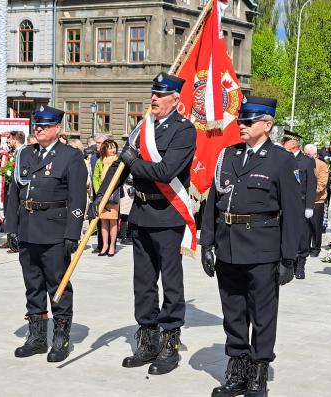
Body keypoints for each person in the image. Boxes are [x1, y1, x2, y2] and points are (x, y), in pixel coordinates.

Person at [92, 72, 196, 375]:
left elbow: (165, 171)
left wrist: (132, 160)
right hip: (141, 213)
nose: (154, 99)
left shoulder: (183, 130)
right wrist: (101, 197)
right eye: (153, 93)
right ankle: (148, 338)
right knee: (143, 283)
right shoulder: (142, 127)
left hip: (167, 215)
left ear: (175, 99)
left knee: (171, 284)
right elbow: (122, 169)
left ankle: (169, 343)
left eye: (161, 94)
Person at [200, 94, 302, 397]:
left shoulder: (282, 160)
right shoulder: (227, 155)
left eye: (248, 121)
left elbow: (293, 213)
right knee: (233, 311)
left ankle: (258, 370)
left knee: (262, 312)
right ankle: (238, 367)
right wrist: (207, 243)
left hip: (262, 247)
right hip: (228, 245)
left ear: (267, 125)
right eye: (241, 120)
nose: (241, 125)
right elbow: (211, 205)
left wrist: (288, 258)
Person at [5, 105, 87, 363]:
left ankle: (61, 337)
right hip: (28, 228)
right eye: (36, 125)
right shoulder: (25, 154)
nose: (38, 129)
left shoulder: (70, 157)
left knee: (58, 286)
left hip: (55, 231)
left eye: (44, 125)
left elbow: (77, 199)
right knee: (33, 286)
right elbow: (14, 194)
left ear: (57, 128)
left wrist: (72, 233)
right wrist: (11, 228)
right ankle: (37, 337)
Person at [281, 130, 316, 279]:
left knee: (302, 235)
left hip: (301, 204)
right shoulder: (283, 159)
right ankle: (287, 263)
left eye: (286, 141)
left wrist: (309, 206)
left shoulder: (307, 161)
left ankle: (300, 265)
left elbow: (311, 185)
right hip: (284, 203)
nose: (283, 143)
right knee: (286, 232)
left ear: (294, 144)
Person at [93, 139, 120, 257]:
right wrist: (100, 192)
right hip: (102, 195)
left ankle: (112, 245)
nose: (113, 150)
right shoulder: (100, 161)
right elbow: (95, 178)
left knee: (113, 221)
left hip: (113, 194)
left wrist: (110, 190)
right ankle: (104, 245)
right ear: (105, 149)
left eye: (114, 147)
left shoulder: (119, 161)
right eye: (110, 148)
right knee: (103, 221)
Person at [304, 144, 328, 257]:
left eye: (308, 154)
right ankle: (305, 246)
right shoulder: (302, 163)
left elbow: (322, 184)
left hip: (317, 200)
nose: (306, 156)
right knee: (305, 226)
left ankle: (316, 247)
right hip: (304, 199)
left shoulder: (322, 165)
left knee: (316, 225)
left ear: (315, 154)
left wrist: (308, 194)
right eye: (305, 154)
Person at [91, 134, 108, 253]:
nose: (97, 145)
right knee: (97, 218)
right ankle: (100, 244)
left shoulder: (111, 157)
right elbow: (94, 176)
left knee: (108, 220)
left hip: (108, 193)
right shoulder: (94, 157)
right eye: (96, 143)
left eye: (99, 143)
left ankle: (108, 245)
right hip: (96, 192)